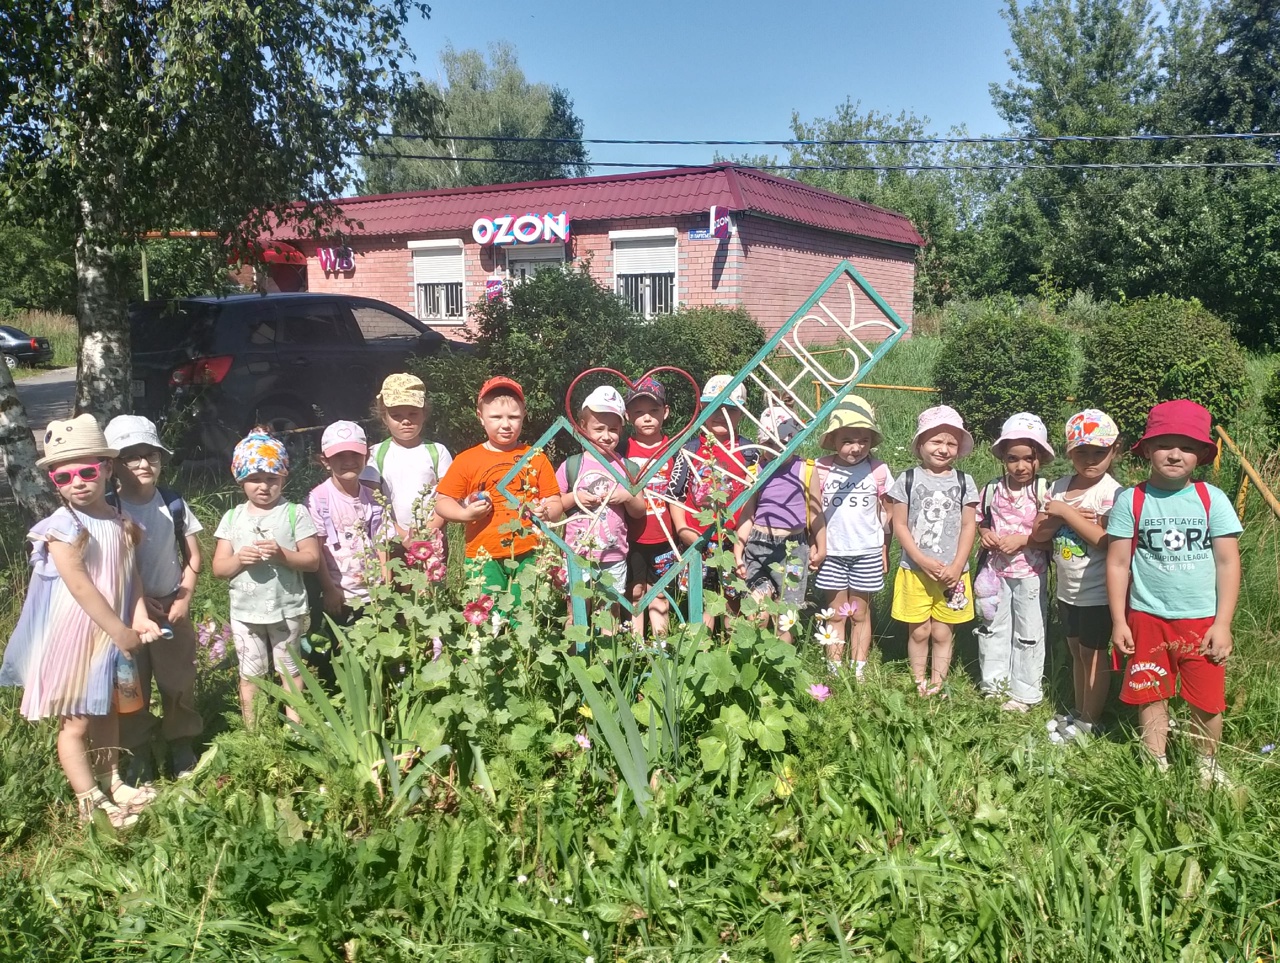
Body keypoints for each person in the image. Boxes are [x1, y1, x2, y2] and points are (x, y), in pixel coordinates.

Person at [0, 415, 163, 828]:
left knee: (107, 710)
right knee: (76, 721)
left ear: (107, 469)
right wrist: (120, 631)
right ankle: (88, 800)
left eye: (87, 471)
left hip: (112, 635)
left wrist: (139, 617)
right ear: (54, 481)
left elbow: (131, 577)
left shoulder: (121, 521)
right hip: (75, 638)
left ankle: (112, 779)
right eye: (64, 476)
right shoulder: (61, 528)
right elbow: (79, 586)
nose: (77, 482)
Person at [1106, 400, 1242, 787]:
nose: (1174, 454)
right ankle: (1155, 762)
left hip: (1203, 620)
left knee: (1207, 699)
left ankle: (1206, 764)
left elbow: (1228, 563)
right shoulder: (1131, 501)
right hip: (1147, 617)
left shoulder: (1212, 499)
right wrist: (1119, 621)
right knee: (1151, 692)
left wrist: (1223, 623)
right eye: (1164, 444)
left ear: (1200, 455)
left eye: (1187, 446)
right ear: (1148, 449)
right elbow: (1117, 563)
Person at [104, 415, 204, 782]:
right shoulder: (108, 509)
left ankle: (181, 742)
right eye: (132, 456)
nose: (144, 464)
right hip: (127, 612)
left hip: (171, 608)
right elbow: (108, 567)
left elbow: (194, 557)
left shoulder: (172, 502)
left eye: (152, 455)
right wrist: (139, 600)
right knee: (130, 686)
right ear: (112, 464)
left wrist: (183, 598)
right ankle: (138, 751)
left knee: (178, 680)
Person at [212, 428, 321, 727]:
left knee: (291, 671)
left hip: (287, 609)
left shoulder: (295, 513)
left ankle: (296, 729)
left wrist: (282, 555)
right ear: (241, 480)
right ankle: (254, 733)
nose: (264, 486)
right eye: (255, 479)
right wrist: (238, 559)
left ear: (283, 478)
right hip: (245, 613)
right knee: (250, 674)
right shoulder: (232, 517)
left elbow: (312, 560)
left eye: (272, 478)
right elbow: (219, 569)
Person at [434, 376, 563, 608]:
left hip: (529, 551)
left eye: (513, 417)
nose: (506, 424)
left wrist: (547, 511)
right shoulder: (467, 460)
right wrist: (465, 514)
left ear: (523, 416)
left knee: (525, 611)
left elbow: (555, 501)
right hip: (483, 554)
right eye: (496, 417)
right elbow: (443, 501)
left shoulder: (535, 456)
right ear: (480, 416)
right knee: (487, 611)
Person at [1036, 409, 1122, 744]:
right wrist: (1064, 516)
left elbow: (1105, 541)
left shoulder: (1112, 493)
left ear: (1114, 451)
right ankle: (1079, 709)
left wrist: (1067, 514)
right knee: (1075, 650)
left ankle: (1091, 720)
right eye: (1082, 451)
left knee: (1094, 655)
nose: (1090, 459)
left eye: (1099, 452)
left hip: (1098, 592)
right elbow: (1039, 534)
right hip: (1068, 590)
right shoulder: (1059, 487)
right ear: (1069, 452)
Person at [887, 405, 979, 697]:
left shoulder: (965, 482)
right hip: (915, 571)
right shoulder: (907, 479)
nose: (943, 449)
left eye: (951, 443)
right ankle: (918, 681)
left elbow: (969, 525)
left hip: (954, 574)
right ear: (920, 444)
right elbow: (900, 524)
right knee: (919, 630)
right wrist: (921, 559)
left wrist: (958, 565)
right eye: (936, 441)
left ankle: (938, 683)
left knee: (942, 631)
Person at [974, 413, 1053, 712]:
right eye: (1012, 459)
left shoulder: (1044, 491)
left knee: (1029, 632)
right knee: (994, 627)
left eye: (1028, 458)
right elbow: (982, 520)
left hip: (1031, 572)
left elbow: (1053, 538)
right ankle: (994, 686)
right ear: (1003, 459)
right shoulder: (992, 489)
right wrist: (985, 534)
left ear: (1040, 458)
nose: (1020, 466)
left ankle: (1025, 691)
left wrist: (1024, 540)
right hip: (995, 573)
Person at [809, 397, 893, 677]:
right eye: (847, 441)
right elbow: (813, 511)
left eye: (863, 441)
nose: (856, 448)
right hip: (832, 552)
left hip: (866, 551)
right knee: (835, 613)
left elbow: (888, 513)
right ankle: (834, 669)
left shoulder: (878, 470)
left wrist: (884, 547)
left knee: (859, 613)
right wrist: (815, 544)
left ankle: (858, 670)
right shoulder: (820, 468)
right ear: (833, 440)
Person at [668, 375, 759, 630]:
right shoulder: (689, 449)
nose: (721, 415)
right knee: (701, 598)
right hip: (696, 538)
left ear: (741, 414)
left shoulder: (749, 451)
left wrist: (741, 540)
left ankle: (732, 644)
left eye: (730, 409)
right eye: (713, 407)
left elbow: (753, 498)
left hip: (733, 539)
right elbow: (675, 494)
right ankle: (701, 644)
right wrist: (682, 529)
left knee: (734, 598)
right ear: (703, 409)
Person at [734, 404, 827, 645]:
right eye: (769, 444)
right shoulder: (755, 471)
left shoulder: (806, 469)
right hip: (758, 546)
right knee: (756, 611)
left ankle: (780, 661)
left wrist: (821, 546)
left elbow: (816, 513)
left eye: (783, 443)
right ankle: (754, 655)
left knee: (786, 615)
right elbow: (747, 514)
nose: (776, 450)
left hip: (793, 551)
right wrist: (738, 549)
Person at [557, 385, 647, 623]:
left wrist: (627, 497)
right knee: (576, 611)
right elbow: (554, 506)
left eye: (613, 429)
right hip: (577, 555)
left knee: (609, 612)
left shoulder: (628, 468)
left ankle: (608, 646)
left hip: (613, 555)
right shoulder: (572, 465)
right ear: (582, 427)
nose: (606, 436)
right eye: (598, 428)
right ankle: (576, 645)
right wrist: (574, 498)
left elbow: (640, 511)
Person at [305, 421, 387, 677]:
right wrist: (329, 589)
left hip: (372, 591)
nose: (348, 461)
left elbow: (382, 541)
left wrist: (385, 582)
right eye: (340, 456)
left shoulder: (373, 497)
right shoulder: (318, 499)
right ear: (325, 460)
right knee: (338, 652)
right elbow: (317, 548)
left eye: (355, 454)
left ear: (367, 455)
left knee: (374, 652)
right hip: (338, 593)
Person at [619, 376, 679, 639]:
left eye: (653, 411)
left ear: (665, 412)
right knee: (635, 590)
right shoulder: (622, 450)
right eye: (638, 412)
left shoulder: (675, 449)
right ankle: (635, 646)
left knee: (660, 591)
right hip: (632, 536)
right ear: (627, 415)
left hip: (666, 536)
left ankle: (662, 645)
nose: (646, 418)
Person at [361, 373, 452, 541]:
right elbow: (372, 501)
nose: (406, 421)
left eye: (413, 414)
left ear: (424, 414)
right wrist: (402, 536)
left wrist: (427, 533)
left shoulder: (438, 452)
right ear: (384, 418)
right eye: (396, 415)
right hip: (390, 539)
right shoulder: (375, 454)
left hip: (432, 538)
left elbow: (447, 496)